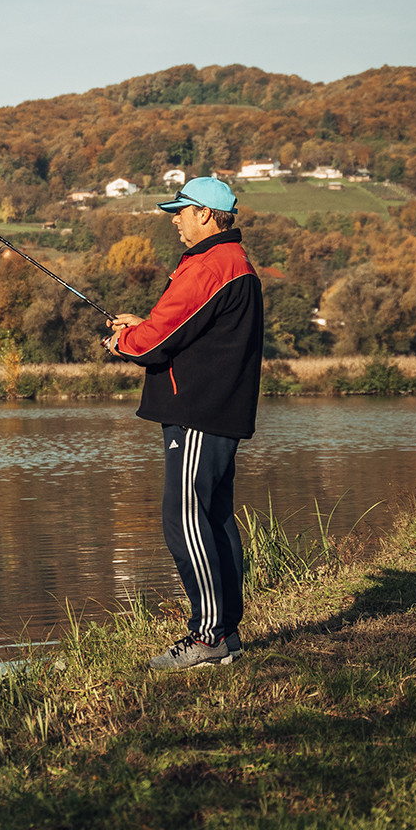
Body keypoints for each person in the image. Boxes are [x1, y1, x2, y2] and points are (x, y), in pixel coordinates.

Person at [103, 175, 265, 670]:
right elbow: (180, 328)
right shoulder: (232, 264)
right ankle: (225, 633)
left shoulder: (212, 265)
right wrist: (142, 326)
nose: (174, 219)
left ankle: (208, 635)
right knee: (212, 518)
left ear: (205, 214)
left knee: (184, 520)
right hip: (215, 412)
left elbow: (155, 342)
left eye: (180, 210)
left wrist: (123, 342)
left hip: (198, 413)